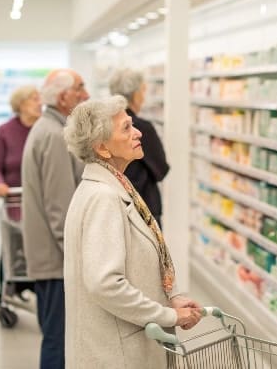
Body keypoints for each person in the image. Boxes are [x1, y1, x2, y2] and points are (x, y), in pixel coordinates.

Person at [63, 97, 201, 368]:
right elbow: (105, 284)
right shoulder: (103, 197)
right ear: (102, 147)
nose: (138, 133)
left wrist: (168, 301)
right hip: (116, 353)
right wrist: (166, 315)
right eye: (126, 128)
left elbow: (132, 270)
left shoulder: (115, 185)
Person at [21, 69, 89, 369]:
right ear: (63, 98)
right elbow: (60, 209)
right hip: (55, 260)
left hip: (50, 257)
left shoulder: (48, 128)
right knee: (58, 340)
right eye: (80, 88)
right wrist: (81, 258)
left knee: (56, 335)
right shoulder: (54, 135)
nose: (85, 95)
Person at [0, 85, 42, 310]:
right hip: (15, 202)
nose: (40, 103)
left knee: (39, 250)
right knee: (12, 248)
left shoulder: (43, 130)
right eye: (34, 99)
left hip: (40, 203)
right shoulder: (5, 132)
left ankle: (36, 289)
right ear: (20, 105)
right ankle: (7, 291)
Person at [109, 68, 169, 227]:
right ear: (135, 94)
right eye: (143, 91)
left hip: (117, 205)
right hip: (143, 208)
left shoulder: (107, 125)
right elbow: (161, 169)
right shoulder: (142, 128)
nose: (144, 96)